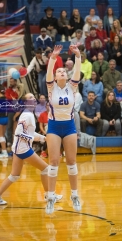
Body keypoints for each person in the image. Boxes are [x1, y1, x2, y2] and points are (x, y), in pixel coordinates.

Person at [0, 93, 62, 205]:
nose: (33, 98)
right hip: (23, 149)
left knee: (14, 175)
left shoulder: (29, 114)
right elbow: (18, 133)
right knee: (45, 169)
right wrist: (34, 139)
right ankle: (49, 195)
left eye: (34, 97)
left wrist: (43, 138)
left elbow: (29, 132)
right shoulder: (27, 115)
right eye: (30, 98)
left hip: (18, 148)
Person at [45, 44, 82, 214]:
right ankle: (50, 197)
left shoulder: (72, 87)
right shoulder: (50, 87)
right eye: (58, 71)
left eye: (63, 72)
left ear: (66, 76)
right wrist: (53, 57)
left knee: (71, 162)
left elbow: (77, 71)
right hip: (53, 126)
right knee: (53, 162)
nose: (61, 73)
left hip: (68, 126)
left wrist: (77, 56)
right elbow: (49, 71)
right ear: (55, 75)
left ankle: (74, 195)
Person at [5, 78, 23, 148]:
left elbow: (17, 99)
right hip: (11, 110)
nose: (11, 83)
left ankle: (17, 144)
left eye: (12, 81)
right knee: (9, 126)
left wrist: (14, 99)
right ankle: (10, 142)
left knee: (17, 128)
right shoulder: (8, 90)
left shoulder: (20, 89)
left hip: (18, 111)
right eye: (10, 81)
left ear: (15, 81)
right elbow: (8, 97)